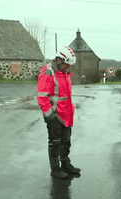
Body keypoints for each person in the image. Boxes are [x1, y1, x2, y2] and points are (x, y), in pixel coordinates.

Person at [37, 45, 81, 179]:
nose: (68, 67)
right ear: (59, 60)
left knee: (66, 141)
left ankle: (65, 164)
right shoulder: (48, 72)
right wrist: (50, 116)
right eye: (67, 64)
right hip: (54, 116)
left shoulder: (65, 73)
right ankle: (55, 169)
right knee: (55, 142)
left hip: (66, 115)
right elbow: (42, 96)